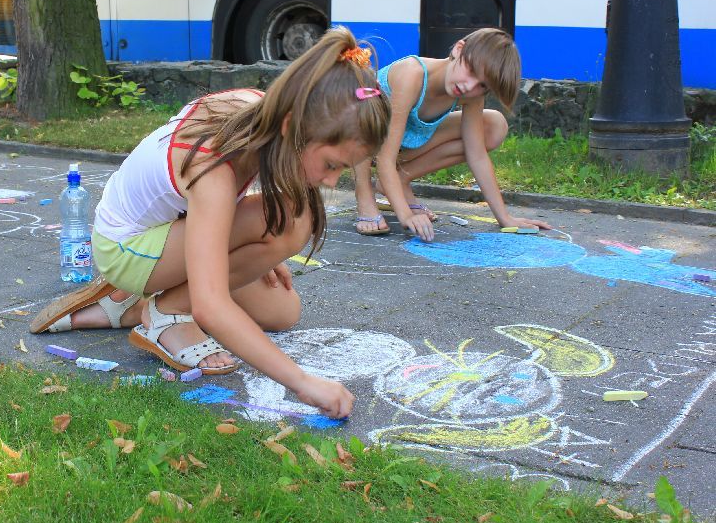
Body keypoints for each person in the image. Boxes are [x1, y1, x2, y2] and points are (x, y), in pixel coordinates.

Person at [29, 27, 390, 419]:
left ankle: (131, 306)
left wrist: (264, 254)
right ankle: (164, 312)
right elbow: (212, 306)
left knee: (283, 312)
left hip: (169, 232)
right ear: (292, 128)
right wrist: (303, 382)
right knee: (292, 218)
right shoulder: (214, 166)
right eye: (333, 164)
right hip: (126, 248)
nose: (333, 181)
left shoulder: (259, 111)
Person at [352, 27, 551, 240]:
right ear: (459, 49)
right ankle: (364, 193)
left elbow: (477, 155)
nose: (469, 86)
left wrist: (505, 218)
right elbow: (385, 158)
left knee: (494, 126)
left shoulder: (469, 92)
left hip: (405, 145)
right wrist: (406, 215)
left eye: (482, 86)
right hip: (368, 143)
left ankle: (398, 180)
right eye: (472, 71)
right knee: (362, 105)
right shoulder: (412, 75)